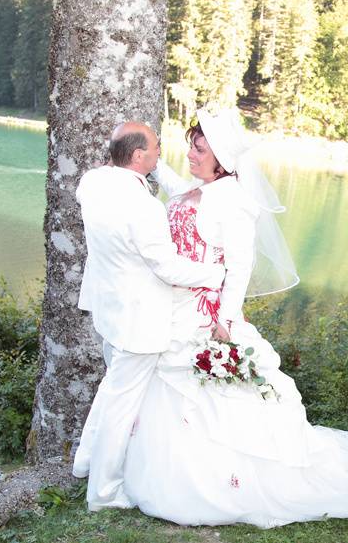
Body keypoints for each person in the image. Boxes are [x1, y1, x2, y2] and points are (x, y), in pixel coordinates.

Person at [120, 107, 348, 528]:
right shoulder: (199, 188)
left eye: (199, 150)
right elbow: (178, 190)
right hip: (172, 307)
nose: (191, 156)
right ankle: (159, 475)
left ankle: (223, 487)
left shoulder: (233, 201)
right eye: (191, 148)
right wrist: (146, 161)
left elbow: (239, 268)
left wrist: (225, 322)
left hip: (205, 313)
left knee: (210, 394)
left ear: (221, 157)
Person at [71, 121, 226, 511]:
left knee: (111, 389)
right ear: (138, 156)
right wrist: (216, 274)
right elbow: (168, 269)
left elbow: (144, 177)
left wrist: (152, 170)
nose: (161, 153)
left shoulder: (92, 182)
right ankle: (104, 494)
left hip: (108, 308)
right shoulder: (143, 208)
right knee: (122, 406)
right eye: (156, 148)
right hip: (138, 319)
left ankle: (85, 462)